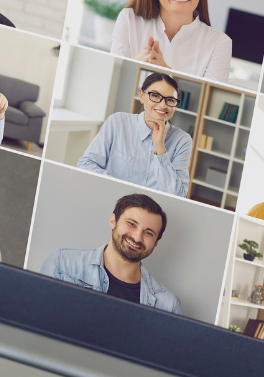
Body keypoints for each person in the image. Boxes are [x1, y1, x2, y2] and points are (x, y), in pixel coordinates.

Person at [40, 192, 180, 312]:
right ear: (113, 221)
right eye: (131, 224)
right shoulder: (62, 264)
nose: (137, 238)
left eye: (148, 233)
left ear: (155, 243)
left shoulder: (168, 305)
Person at [111, 0, 232, 82]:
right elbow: (111, 76)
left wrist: (166, 71)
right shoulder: (129, 19)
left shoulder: (219, 43)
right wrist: (136, 63)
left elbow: (208, 97)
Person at [77, 72, 192, 195]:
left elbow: (178, 195)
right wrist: (120, 191)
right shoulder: (117, 122)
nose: (163, 105)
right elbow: (86, 164)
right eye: (155, 95)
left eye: (170, 100)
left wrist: (160, 149)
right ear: (142, 95)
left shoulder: (182, 140)